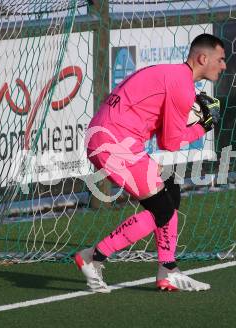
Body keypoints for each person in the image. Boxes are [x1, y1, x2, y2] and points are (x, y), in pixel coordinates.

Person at [75, 33, 226, 292]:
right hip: (115, 144)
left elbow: (159, 129)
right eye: (221, 59)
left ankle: (167, 270)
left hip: (111, 139)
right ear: (203, 58)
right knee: (161, 211)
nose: (224, 66)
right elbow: (170, 142)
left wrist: (195, 122)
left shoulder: (174, 75)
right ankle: (94, 257)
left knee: (170, 190)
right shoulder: (182, 86)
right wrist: (202, 128)